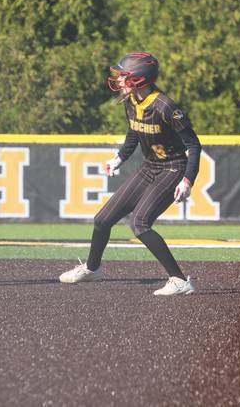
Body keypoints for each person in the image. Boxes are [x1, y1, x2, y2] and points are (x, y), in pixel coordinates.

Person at [59, 52, 200, 296]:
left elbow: (194, 145)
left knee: (140, 223)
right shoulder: (131, 100)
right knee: (102, 220)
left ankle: (179, 280)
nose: (120, 80)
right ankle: (93, 269)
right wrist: (119, 158)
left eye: (124, 76)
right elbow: (134, 132)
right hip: (149, 166)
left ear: (139, 78)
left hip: (173, 168)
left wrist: (188, 179)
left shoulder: (165, 106)